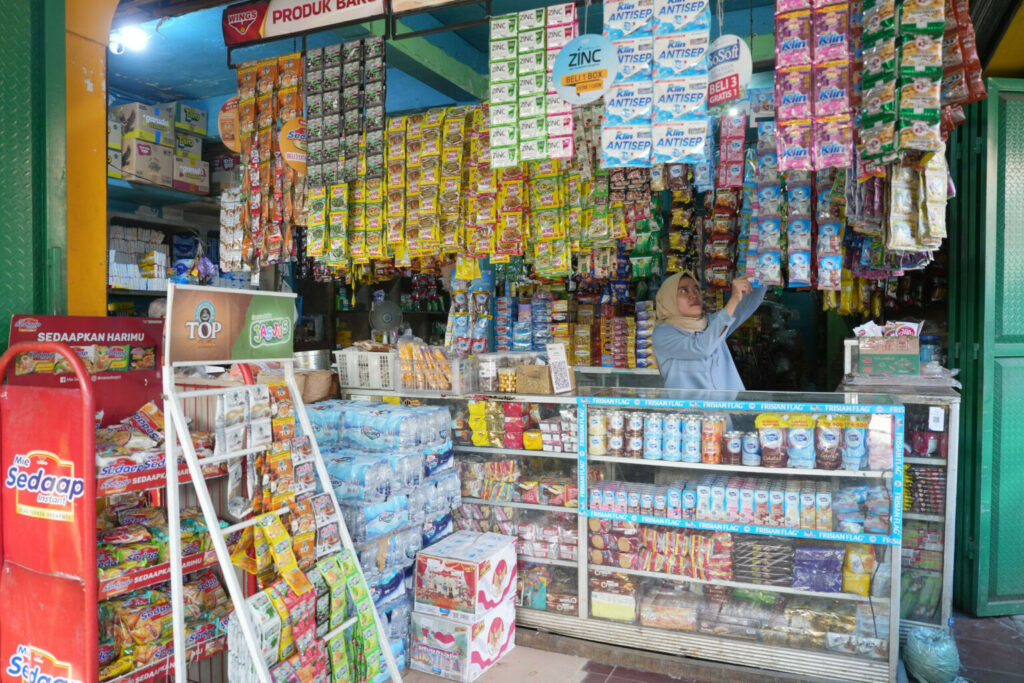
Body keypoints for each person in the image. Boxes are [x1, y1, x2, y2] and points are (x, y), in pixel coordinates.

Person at [652, 271, 766, 391]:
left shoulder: (710, 323)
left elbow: (747, 305)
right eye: (684, 291)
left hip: (729, 408)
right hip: (691, 409)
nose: (693, 295)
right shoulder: (662, 333)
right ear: (668, 299)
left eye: (696, 289)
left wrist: (766, 274)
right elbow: (701, 348)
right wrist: (733, 300)